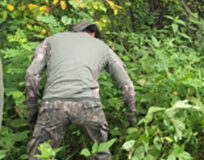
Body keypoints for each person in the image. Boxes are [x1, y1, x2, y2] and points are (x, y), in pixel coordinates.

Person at [26, 21, 137, 159]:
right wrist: (132, 119)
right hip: (88, 104)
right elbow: (127, 86)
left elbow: (31, 74)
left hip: (53, 103)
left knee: (40, 155)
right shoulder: (103, 47)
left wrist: (33, 113)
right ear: (94, 34)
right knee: (100, 153)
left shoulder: (51, 41)